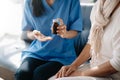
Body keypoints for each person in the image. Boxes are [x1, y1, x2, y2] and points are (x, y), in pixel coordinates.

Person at [15, 0, 82, 80]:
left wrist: (65, 34)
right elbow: (28, 32)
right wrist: (34, 34)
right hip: (37, 52)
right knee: (22, 73)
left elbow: (75, 30)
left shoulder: (71, 1)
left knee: (40, 74)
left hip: (62, 55)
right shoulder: (29, 2)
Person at [56, 0, 120, 80]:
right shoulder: (98, 7)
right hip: (93, 66)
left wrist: (81, 74)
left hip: (111, 75)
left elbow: (117, 63)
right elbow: (91, 42)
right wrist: (73, 65)